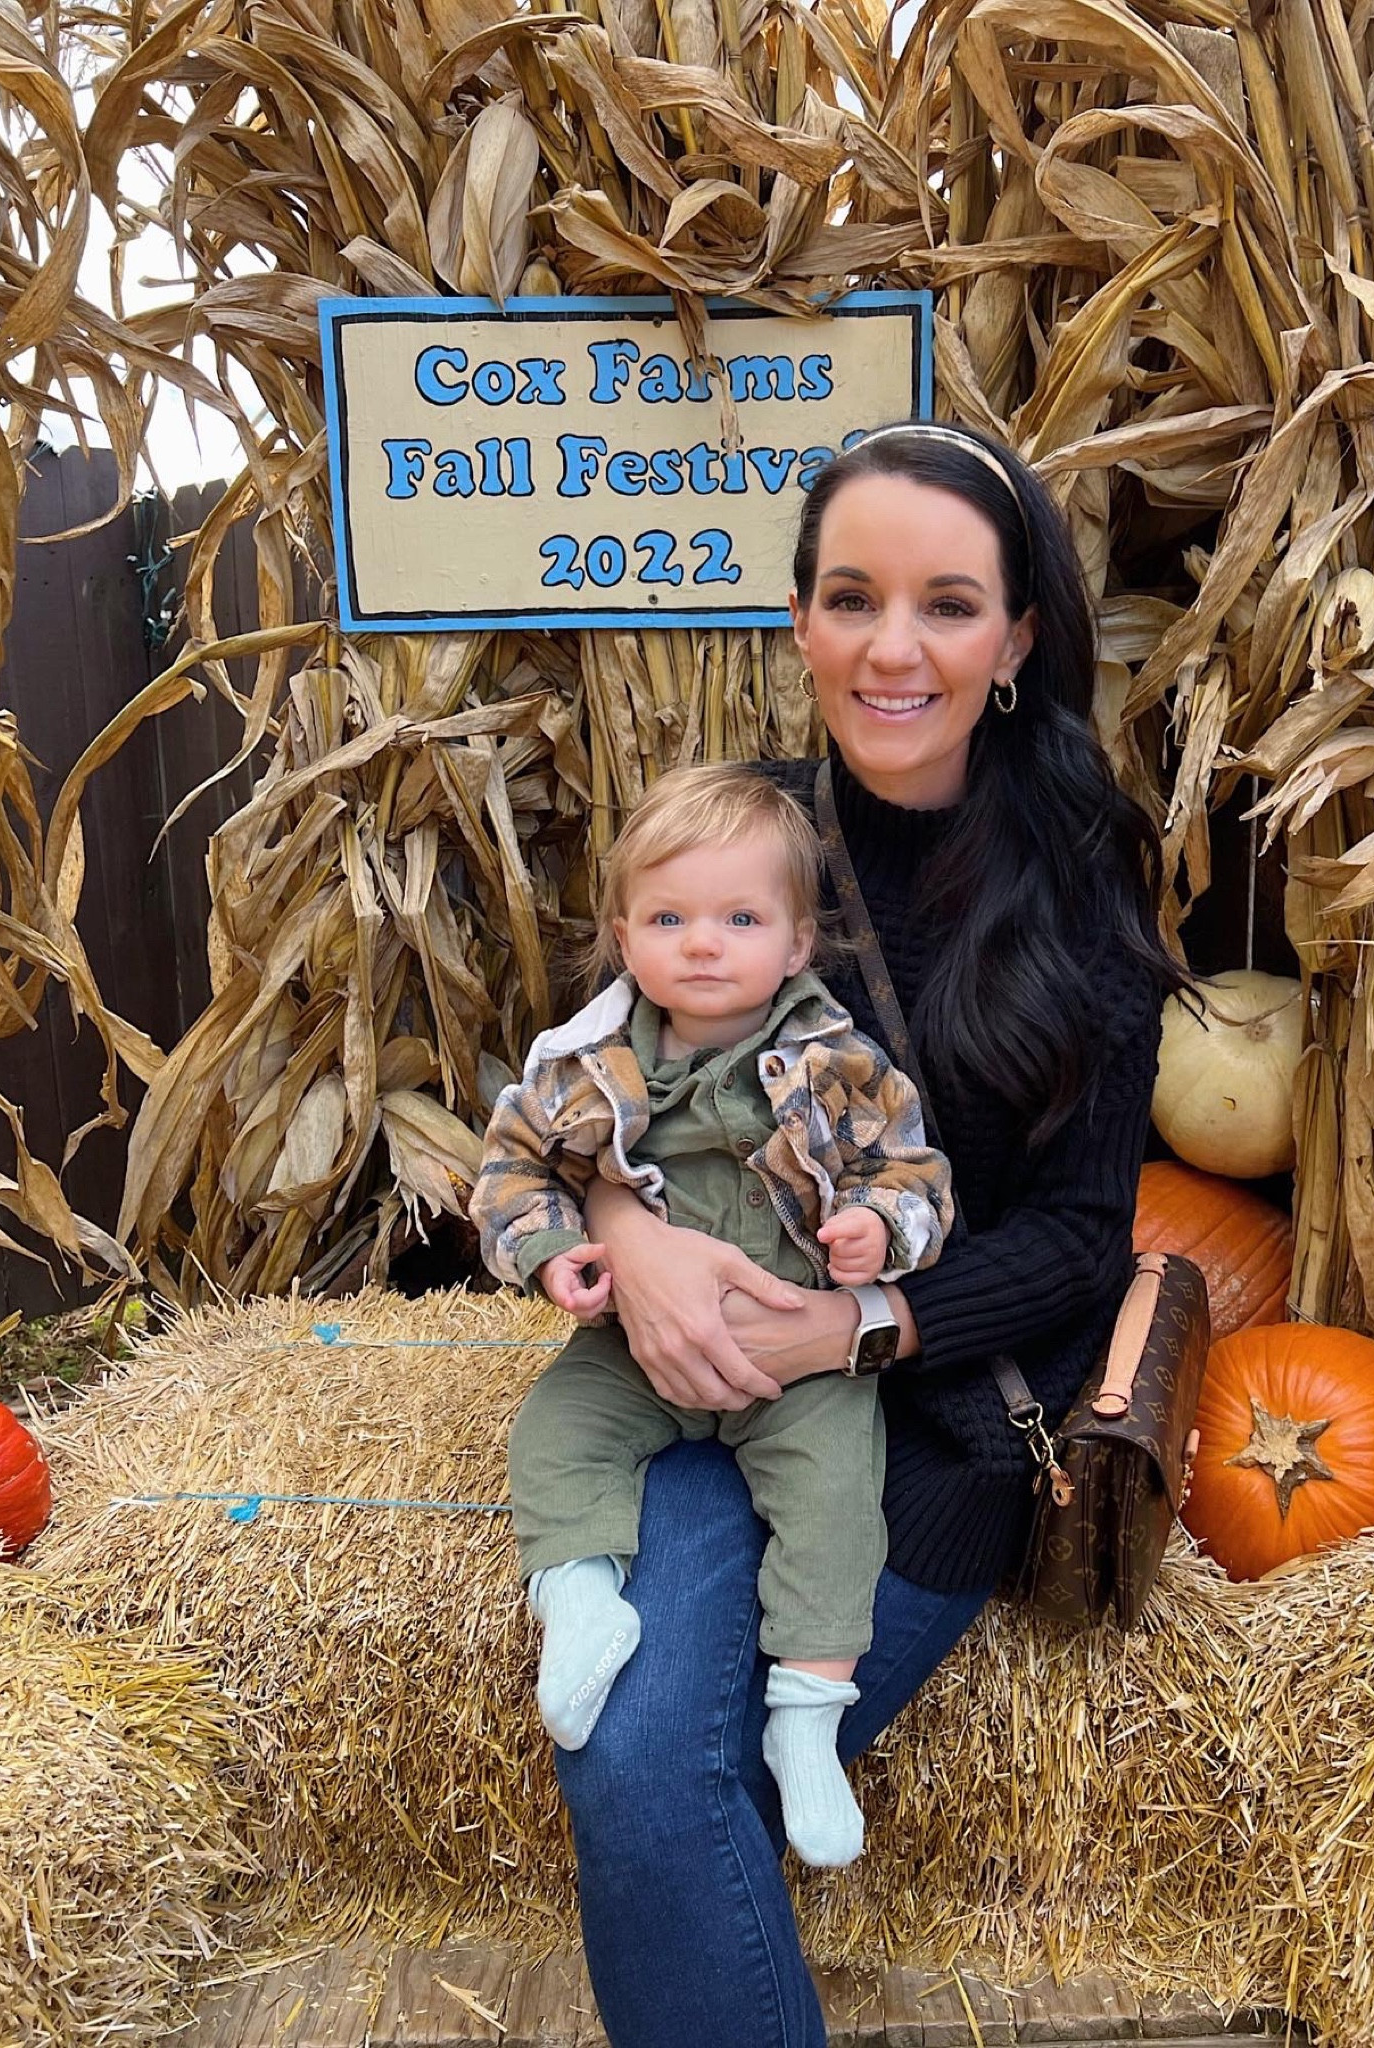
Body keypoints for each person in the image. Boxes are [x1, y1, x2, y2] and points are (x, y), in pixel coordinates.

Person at [542, 421, 1184, 2047]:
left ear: (1014, 637)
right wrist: (628, 1226)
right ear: (799, 619)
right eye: (851, 599)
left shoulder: (1078, 877)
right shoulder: (738, 838)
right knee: (628, 1761)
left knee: (711, 1788)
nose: (892, 648)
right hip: (709, 1397)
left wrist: (854, 1322)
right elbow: (590, 1089)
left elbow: (1079, 1238)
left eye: (946, 605)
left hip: (932, 1423)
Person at [471, 764, 954, 1868]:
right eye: (668, 920)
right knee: (553, 1433)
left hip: (796, 1361)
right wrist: (554, 1255)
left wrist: (877, 1228)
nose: (702, 944)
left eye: (739, 919)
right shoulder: (582, 1068)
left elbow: (914, 1173)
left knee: (835, 1499)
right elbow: (510, 1176)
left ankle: (806, 1719)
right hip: (634, 1348)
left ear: (794, 944)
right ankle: (581, 1603)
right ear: (622, 937)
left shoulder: (837, 1064)